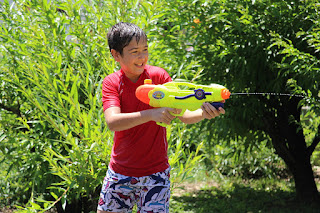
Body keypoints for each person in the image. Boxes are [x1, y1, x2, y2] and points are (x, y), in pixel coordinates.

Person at [97, 22, 225, 213]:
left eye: (145, 49)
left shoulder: (159, 77)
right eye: (134, 52)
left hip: (156, 175)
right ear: (116, 55)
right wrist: (151, 114)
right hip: (120, 173)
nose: (142, 57)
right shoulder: (112, 83)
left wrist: (203, 113)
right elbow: (113, 121)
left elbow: (184, 115)